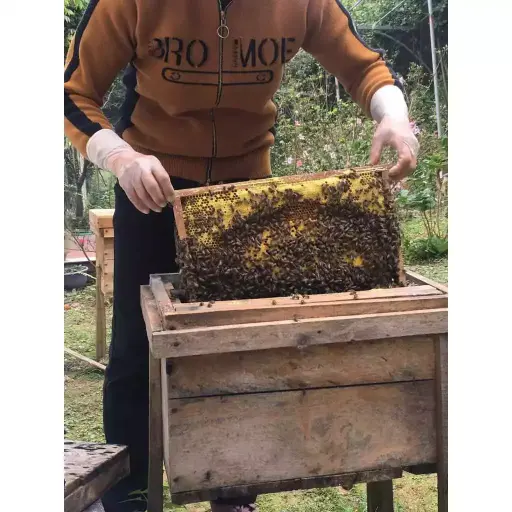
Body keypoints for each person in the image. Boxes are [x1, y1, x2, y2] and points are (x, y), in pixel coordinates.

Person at [64, 1, 419, 511]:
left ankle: (234, 491)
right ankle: (128, 497)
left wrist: (395, 116)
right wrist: (120, 157)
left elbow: (364, 67)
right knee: (136, 353)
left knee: (240, 349)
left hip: (247, 194)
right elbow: (72, 92)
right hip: (150, 186)